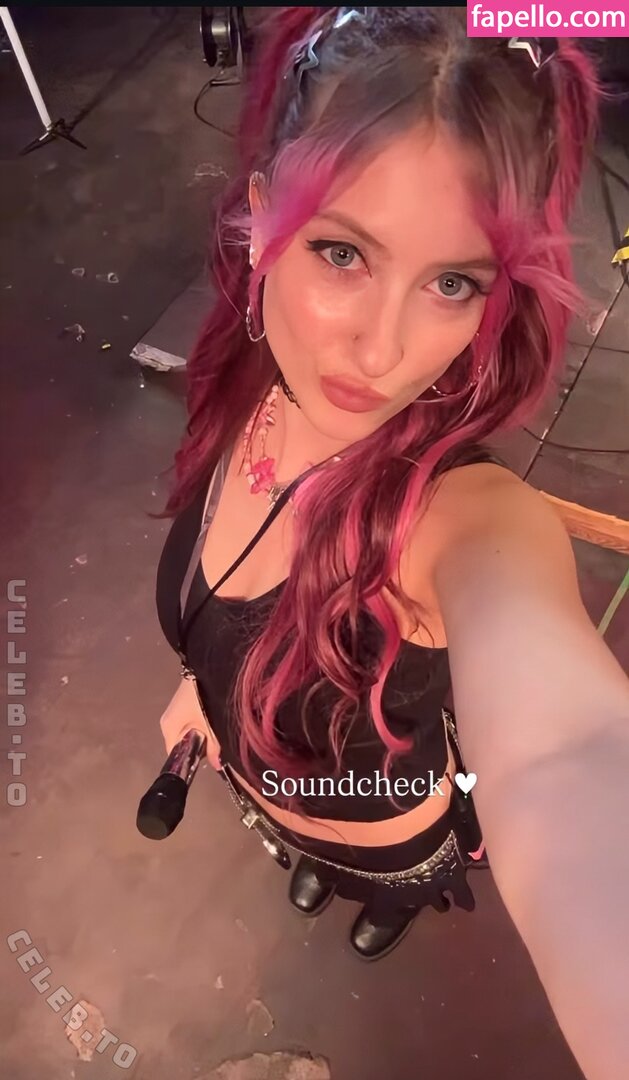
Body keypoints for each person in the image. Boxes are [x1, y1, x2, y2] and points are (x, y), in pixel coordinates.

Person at [154, 8, 629, 1077]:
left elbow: (569, 753)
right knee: (303, 862)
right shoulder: (252, 392)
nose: (381, 352)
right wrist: (204, 687)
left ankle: (386, 901)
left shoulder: (466, 522)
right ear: (261, 217)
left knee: (379, 888)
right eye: (341, 253)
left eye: (452, 283)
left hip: (389, 829)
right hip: (259, 784)